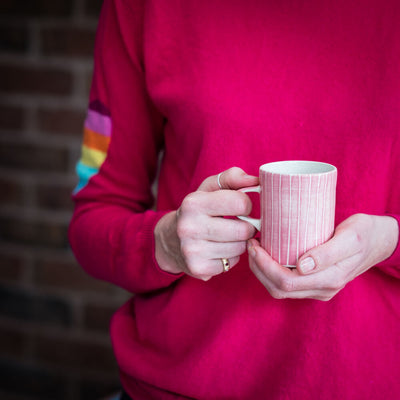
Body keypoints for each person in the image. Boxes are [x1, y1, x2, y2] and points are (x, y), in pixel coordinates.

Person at [68, 1, 400, 399]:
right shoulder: (142, 8)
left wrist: (390, 241)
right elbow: (93, 216)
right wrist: (163, 242)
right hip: (176, 384)